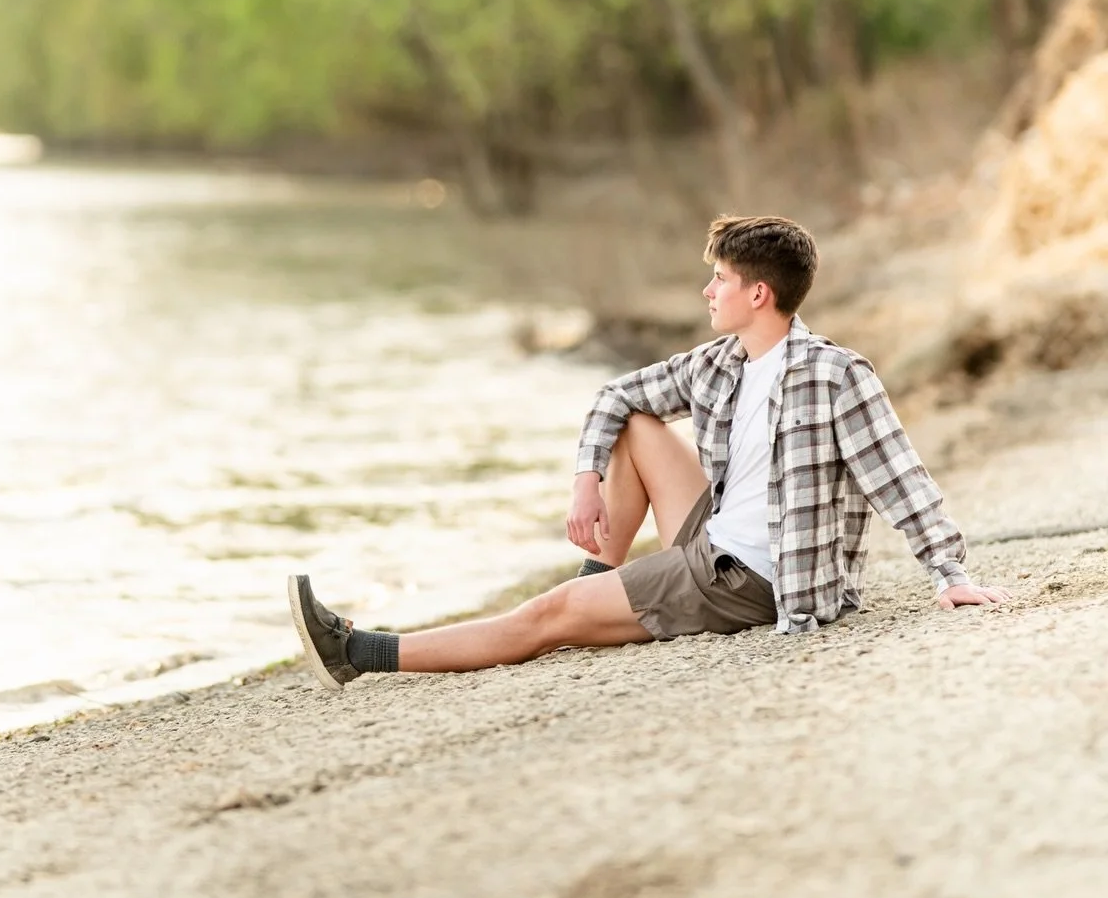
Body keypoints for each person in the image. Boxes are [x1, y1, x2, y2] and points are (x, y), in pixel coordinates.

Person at [287, 212, 1006, 690]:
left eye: (719, 279)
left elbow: (898, 475)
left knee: (545, 618)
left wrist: (948, 571)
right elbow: (614, 396)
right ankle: (597, 582)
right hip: (716, 533)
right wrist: (585, 479)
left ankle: (354, 651)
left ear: (759, 292)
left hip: (748, 576)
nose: (706, 289)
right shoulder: (724, 362)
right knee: (638, 423)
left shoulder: (835, 375)